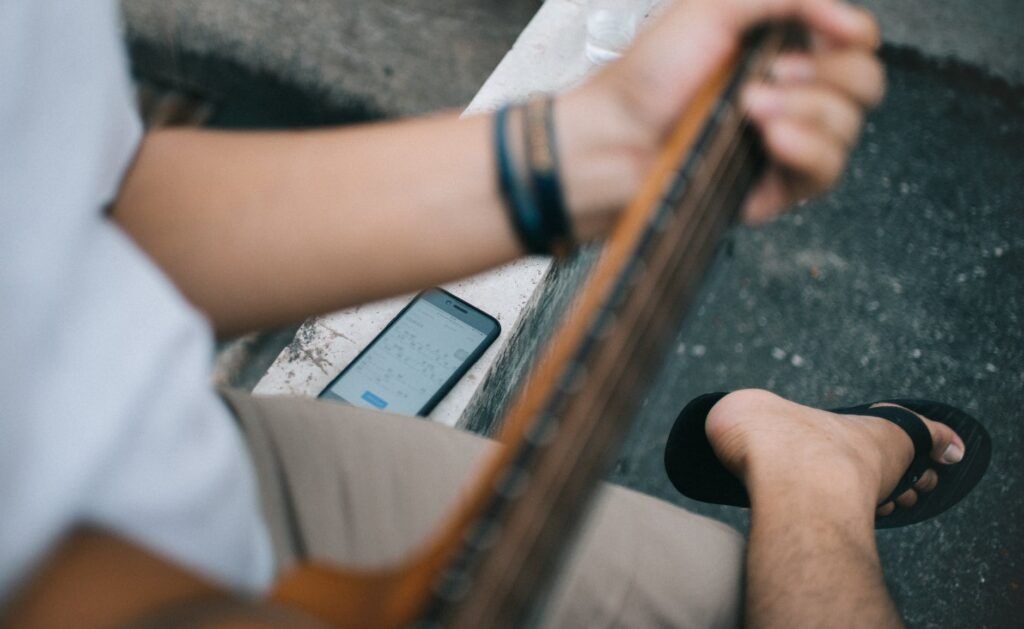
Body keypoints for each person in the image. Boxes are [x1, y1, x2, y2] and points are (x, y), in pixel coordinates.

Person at [1, 0, 973, 626]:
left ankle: (809, 469)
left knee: (733, 584)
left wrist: (589, 149)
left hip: (174, 460)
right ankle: (812, 474)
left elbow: (75, 212)